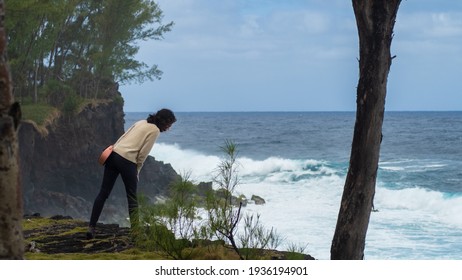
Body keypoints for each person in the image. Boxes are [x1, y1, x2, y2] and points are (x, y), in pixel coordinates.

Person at [87, 108, 176, 239]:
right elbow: (143, 154)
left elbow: (123, 137)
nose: (169, 128)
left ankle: (91, 227)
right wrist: (137, 170)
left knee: (103, 192)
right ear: (164, 122)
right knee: (132, 197)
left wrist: (114, 150)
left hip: (114, 155)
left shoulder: (141, 122)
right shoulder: (155, 130)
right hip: (127, 161)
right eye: (169, 124)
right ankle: (135, 232)